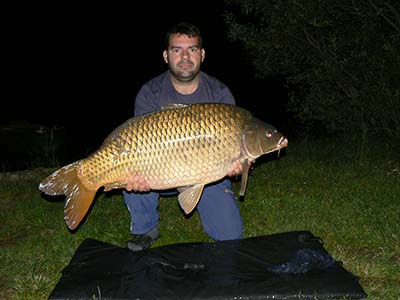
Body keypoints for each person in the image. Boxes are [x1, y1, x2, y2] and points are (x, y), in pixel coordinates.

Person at [123, 22, 245, 251]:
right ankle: (145, 229)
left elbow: (232, 153)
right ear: (166, 55)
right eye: (177, 50)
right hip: (158, 171)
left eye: (192, 49)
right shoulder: (150, 93)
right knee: (129, 167)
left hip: (207, 175)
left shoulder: (219, 94)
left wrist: (235, 166)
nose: (185, 56)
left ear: (202, 54)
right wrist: (134, 175)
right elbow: (136, 143)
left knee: (231, 235)